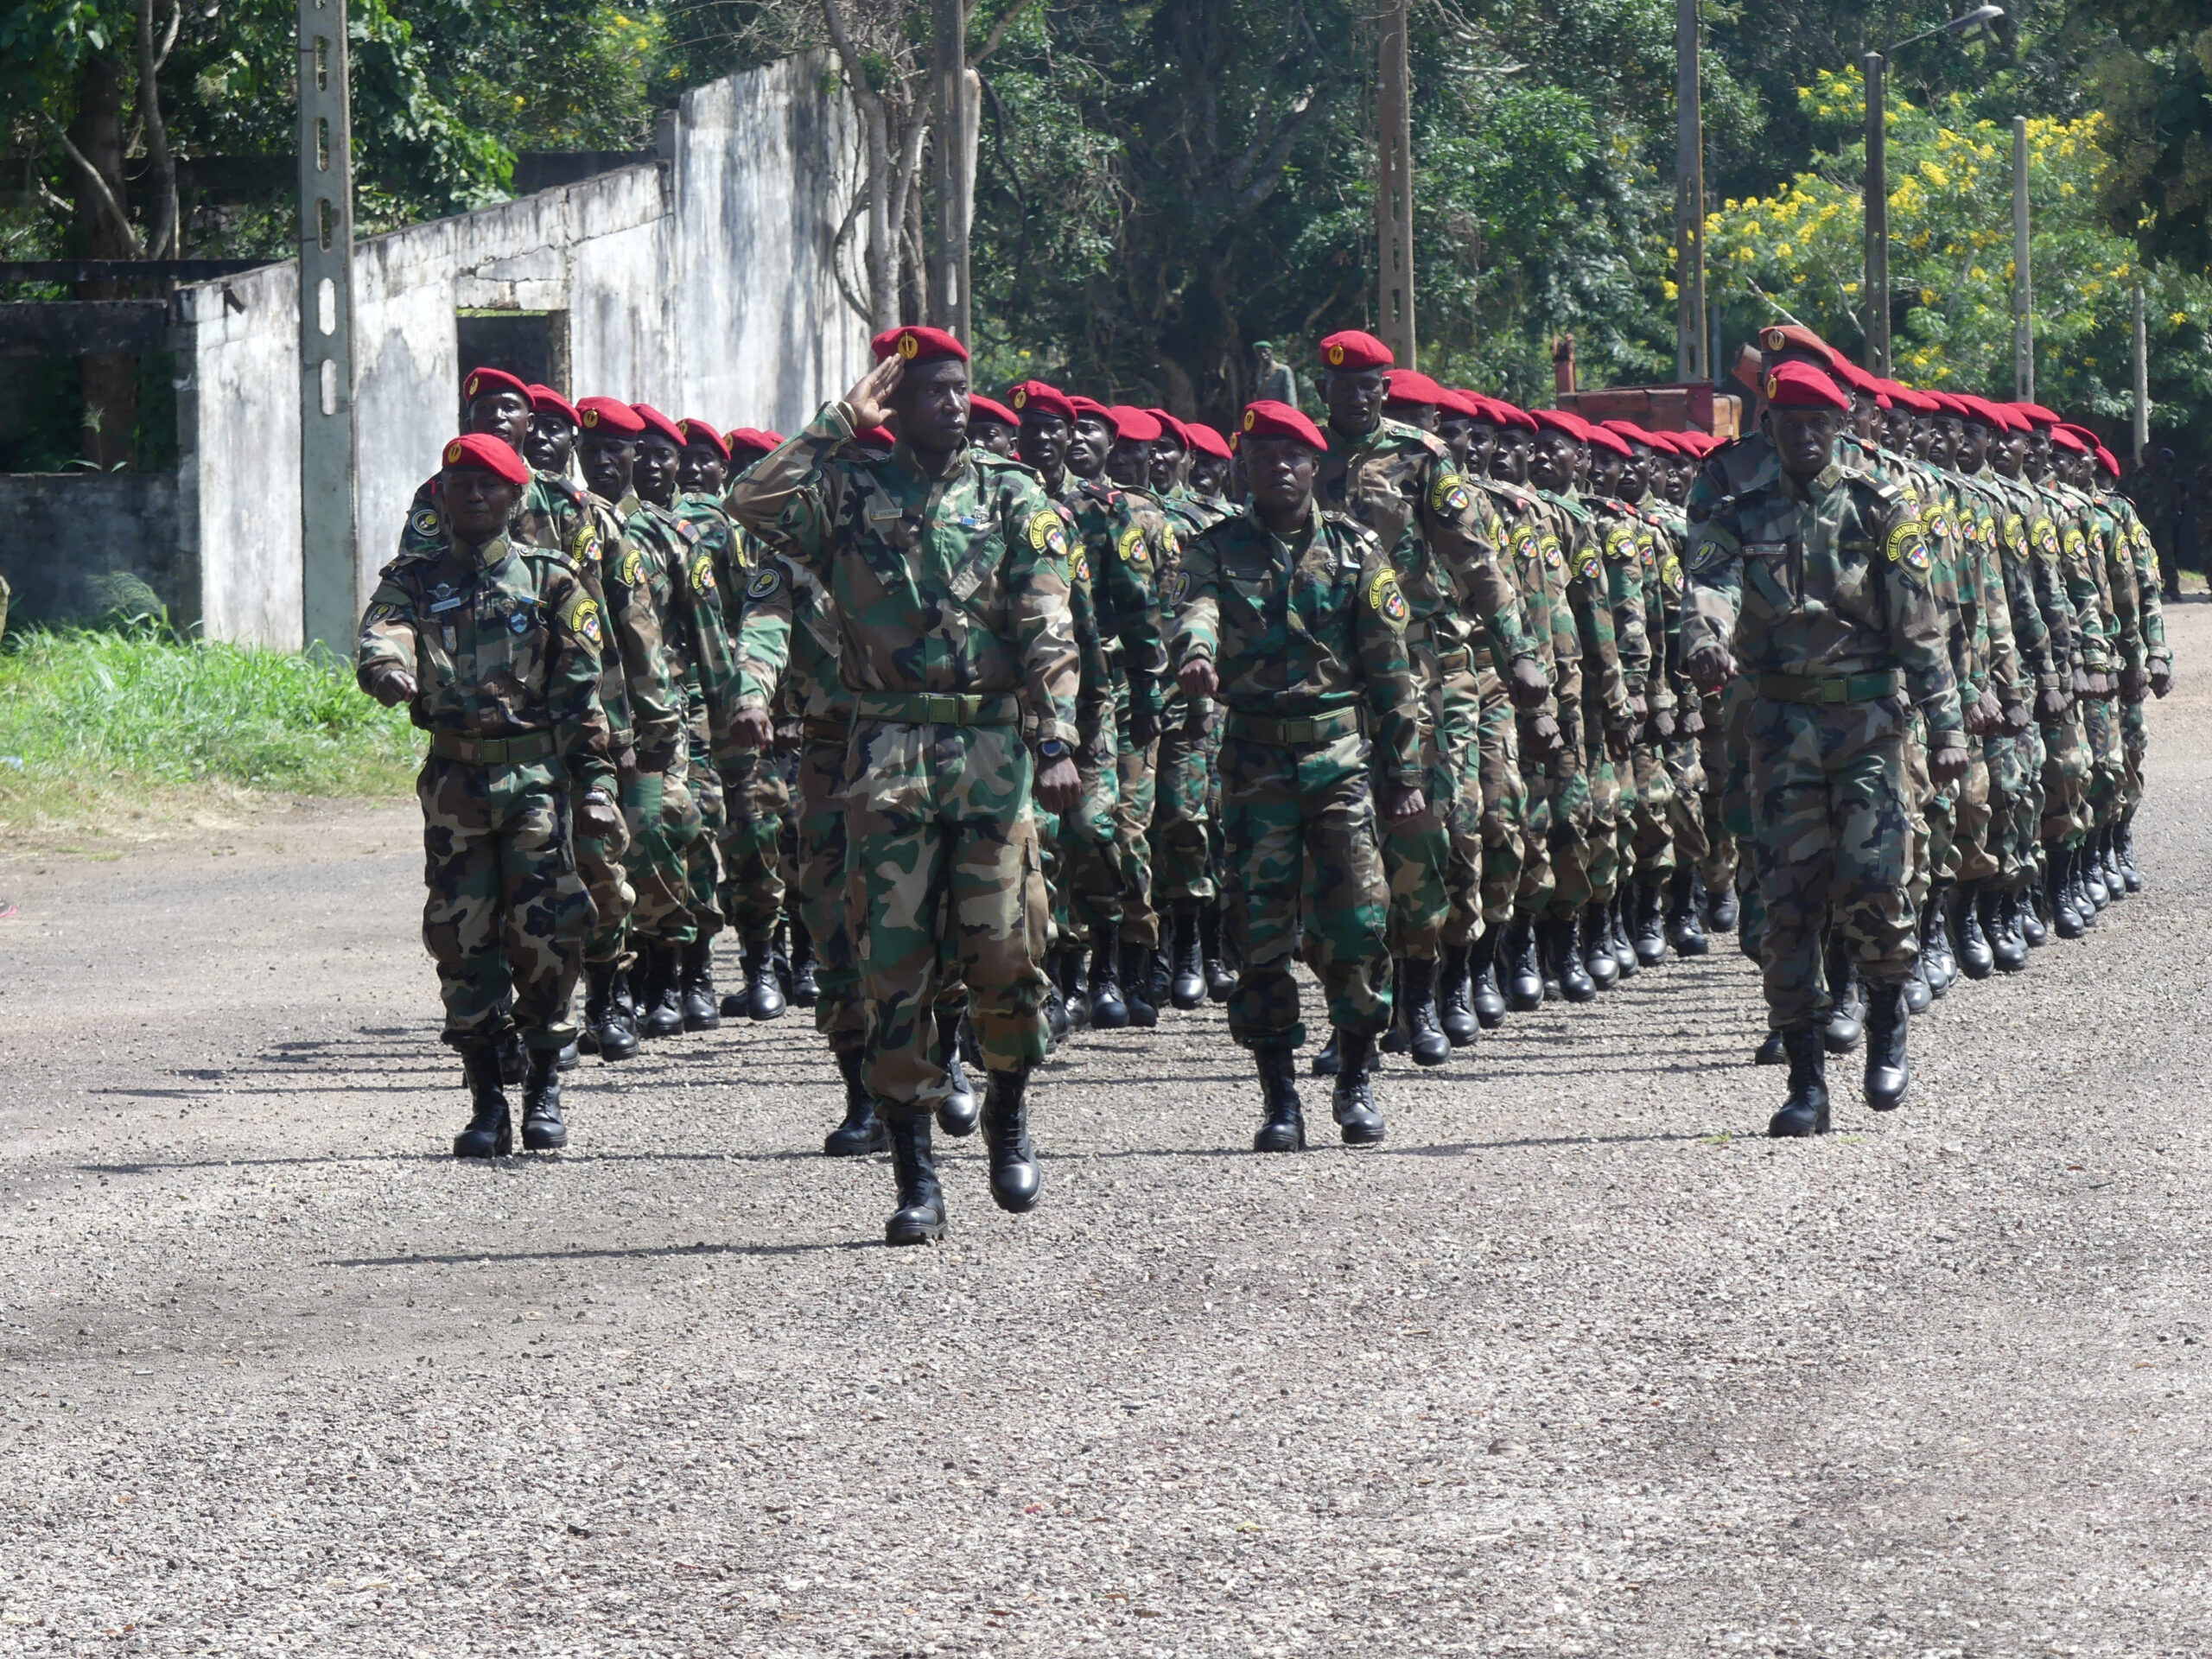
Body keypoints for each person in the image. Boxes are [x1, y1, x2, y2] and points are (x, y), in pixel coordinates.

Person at [726, 325, 1080, 1246]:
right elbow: (749, 500)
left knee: (1005, 954)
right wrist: (838, 422)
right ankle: (915, 1175)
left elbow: (1048, 619)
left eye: (962, 390)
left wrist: (1059, 736)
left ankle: (1006, 1109)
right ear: (894, 400)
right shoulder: (847, 491)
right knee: (896, 971)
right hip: (886, 754)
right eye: (930, 391)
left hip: (992, 753)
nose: (953, 406)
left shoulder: (1011, 495)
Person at [1681, 361, 1967, 1138]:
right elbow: (1710, 583)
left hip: (1869, 726)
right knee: (1788, 902)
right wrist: (1706, 640)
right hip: (1779, 727)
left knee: (1875, 883)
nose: (1804, 435)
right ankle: (1806, 1080)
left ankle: (1884, 1025)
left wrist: (1946, 728)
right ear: (1768, 427)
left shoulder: (1880, 510)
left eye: (1819, 423)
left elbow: (1921, 628)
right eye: (1789, 423)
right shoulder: (1741, 512)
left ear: (1839, 428)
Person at [356, 434, 617, 1155]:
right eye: (460, 485)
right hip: (455, 786)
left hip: (536, 782)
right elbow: (385, 632)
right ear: (441, 497)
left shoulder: (553, 582)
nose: (473, 495)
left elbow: (583, 700)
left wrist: (597, 790)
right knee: (461, 939)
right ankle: (484, 1104)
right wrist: (388, 669)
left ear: (515, 498)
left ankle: (542, 1088)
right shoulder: (415, 578)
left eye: (488, 486)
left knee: (545, 933)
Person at [1172, 399, 1422, 1150]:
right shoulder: (1214, 549)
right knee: (1258, 930)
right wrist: (1195, 655)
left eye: (1293, 456)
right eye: (1262, 456)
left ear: (1317, 467)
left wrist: (1403, 769)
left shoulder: (1354, 553)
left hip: (1338, 758)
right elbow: (1196, 610)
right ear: (1241, 467)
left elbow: (1390, 669)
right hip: (1254, 762)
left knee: (1357, 921)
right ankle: (1279, 1096)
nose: (1277, 467)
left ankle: (1354, 1076)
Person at [1252, 340, 1299, 409]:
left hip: (1279, 412)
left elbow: (1290, 396)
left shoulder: (1283, 370)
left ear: (1271, 351)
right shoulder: (1259, 373)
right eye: (1259, 353)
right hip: (1265, 411)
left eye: (1265, 351)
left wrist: (1292, 414)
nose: (1263, 354)